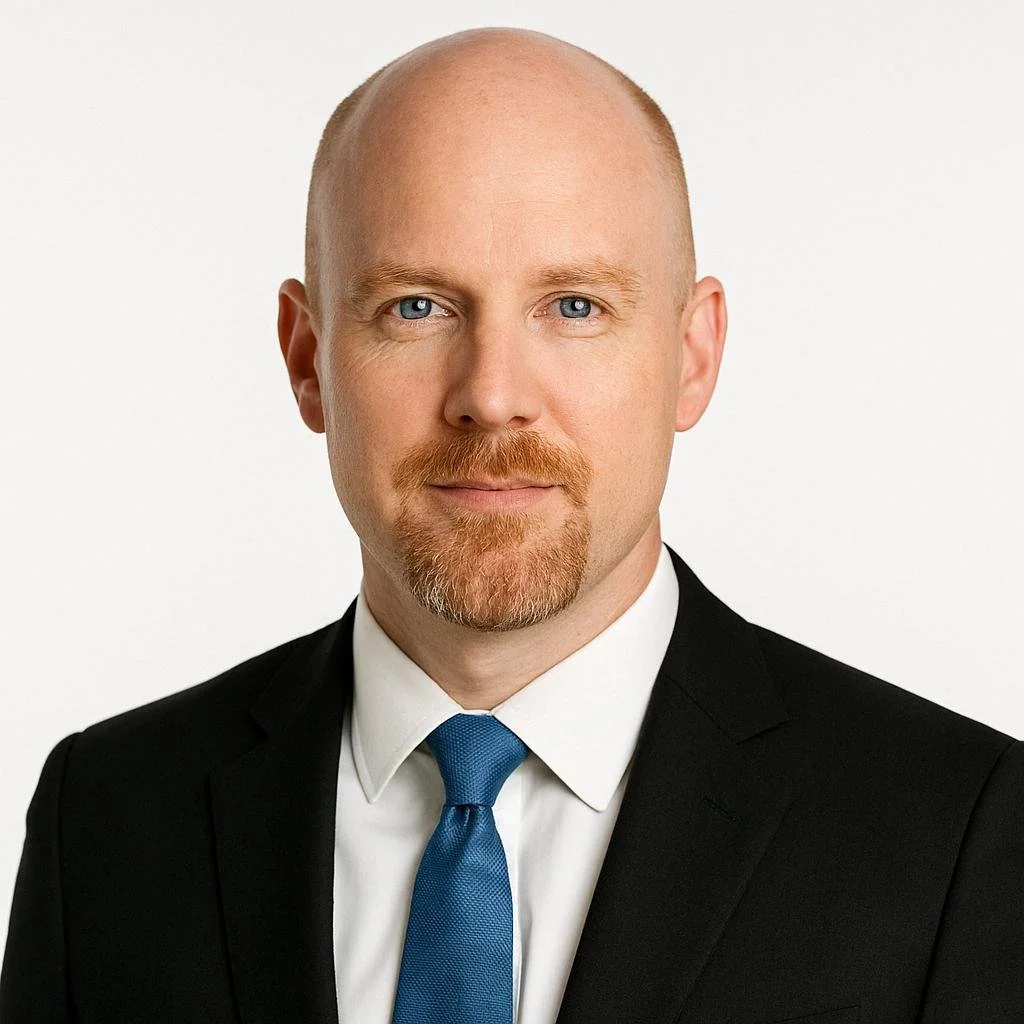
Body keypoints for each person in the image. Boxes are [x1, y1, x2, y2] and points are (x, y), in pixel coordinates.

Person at [1, 25, 1020, 1024]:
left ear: (693, 355)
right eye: (415, 308)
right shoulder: (107, 821)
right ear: (307, 357)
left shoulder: (957, 830)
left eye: (573, 306)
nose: (490, 396)